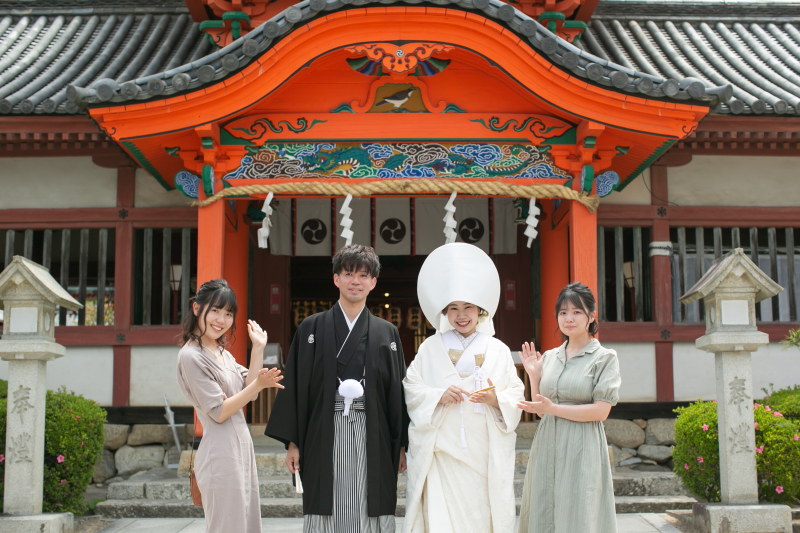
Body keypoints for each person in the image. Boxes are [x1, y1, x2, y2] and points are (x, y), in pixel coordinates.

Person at [265, 244, 409, 533]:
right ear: (336, 279)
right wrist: (293, 443)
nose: (355, 281)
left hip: (374, 429)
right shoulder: (311, 328)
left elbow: (397, 392)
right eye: (348, 273)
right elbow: (295, 386)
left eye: (363, 275)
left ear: (373, 283)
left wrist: (401, 445)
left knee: (372, 498)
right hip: (323, 429)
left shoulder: (386, 332)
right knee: (328, 498)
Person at [403, 243, 525, 533]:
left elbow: (516, 393)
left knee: (482, 514)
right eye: (454, 308)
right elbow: (412, 386)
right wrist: (437, 396)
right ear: (444, 312)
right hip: (442, 450)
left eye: (468, 307)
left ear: (480, 310)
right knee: (442, 516)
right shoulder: (430, 348)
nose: (461, 315)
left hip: (483, 451)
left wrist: (497, 398)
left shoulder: (497, 349)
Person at [176, 279, 284, 533]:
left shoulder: (221, 352)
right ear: (196, 309)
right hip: (220, 453)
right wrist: (258, 385)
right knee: (228, 527)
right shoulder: (192, 356)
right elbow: (220, 411)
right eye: (214, 310)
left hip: (240, 448)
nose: (221, 319)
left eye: (228, 314)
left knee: (246, 524)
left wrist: (258, 347)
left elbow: (249, 390)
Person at [517, 282, 621, 533]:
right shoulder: (551, 356)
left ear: (591, 316)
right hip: (547, 443)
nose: (569, 318)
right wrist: (534, 375)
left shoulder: (604, 358)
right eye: (563, 312)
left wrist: (555, 409)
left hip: (581, 445)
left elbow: (601, 411)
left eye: (577, 311)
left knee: (578, 511)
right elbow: (542, 410)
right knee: (544, 507)